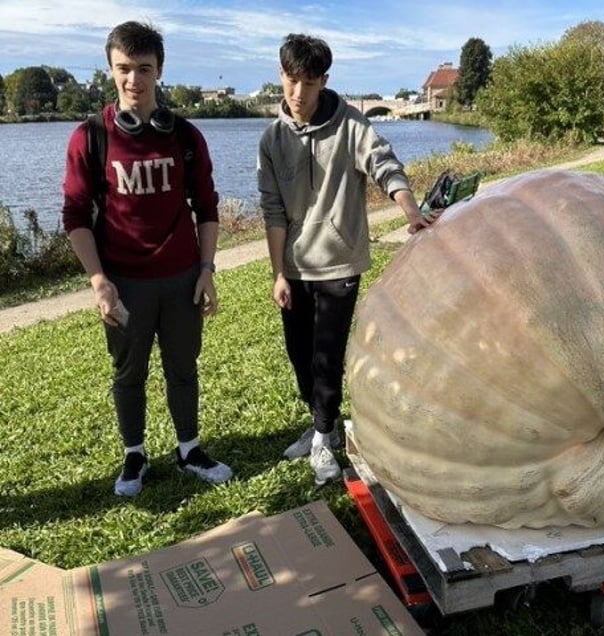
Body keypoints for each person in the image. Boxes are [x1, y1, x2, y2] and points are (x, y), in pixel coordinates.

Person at [257, 33, 439, 486]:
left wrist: (411, 211)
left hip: (339, 263)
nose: (299, 93)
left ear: (324, 81)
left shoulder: (352, 126)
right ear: (281, 77)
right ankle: (325, 423)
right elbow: (272, 209)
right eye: (291, 80)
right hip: (296, 268)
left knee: (326, 353)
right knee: (300, 355)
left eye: (310, 82)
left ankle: (322, 438)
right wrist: (278, 272)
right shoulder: (272, 139)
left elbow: (385, 165)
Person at [61, 21, 232, 497]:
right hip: (123, 283)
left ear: (160, 71)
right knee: (128, 373)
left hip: (180, 279)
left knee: (183, 367)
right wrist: (99, 282)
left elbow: (208, 207)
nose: (133, 80)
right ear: (110, 70)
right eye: (123, 69)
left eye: (143, 69)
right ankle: (134, 456)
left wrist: (206, 270)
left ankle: (189, 450)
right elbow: (75, 214)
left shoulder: (186, 137)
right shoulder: (90, 137)